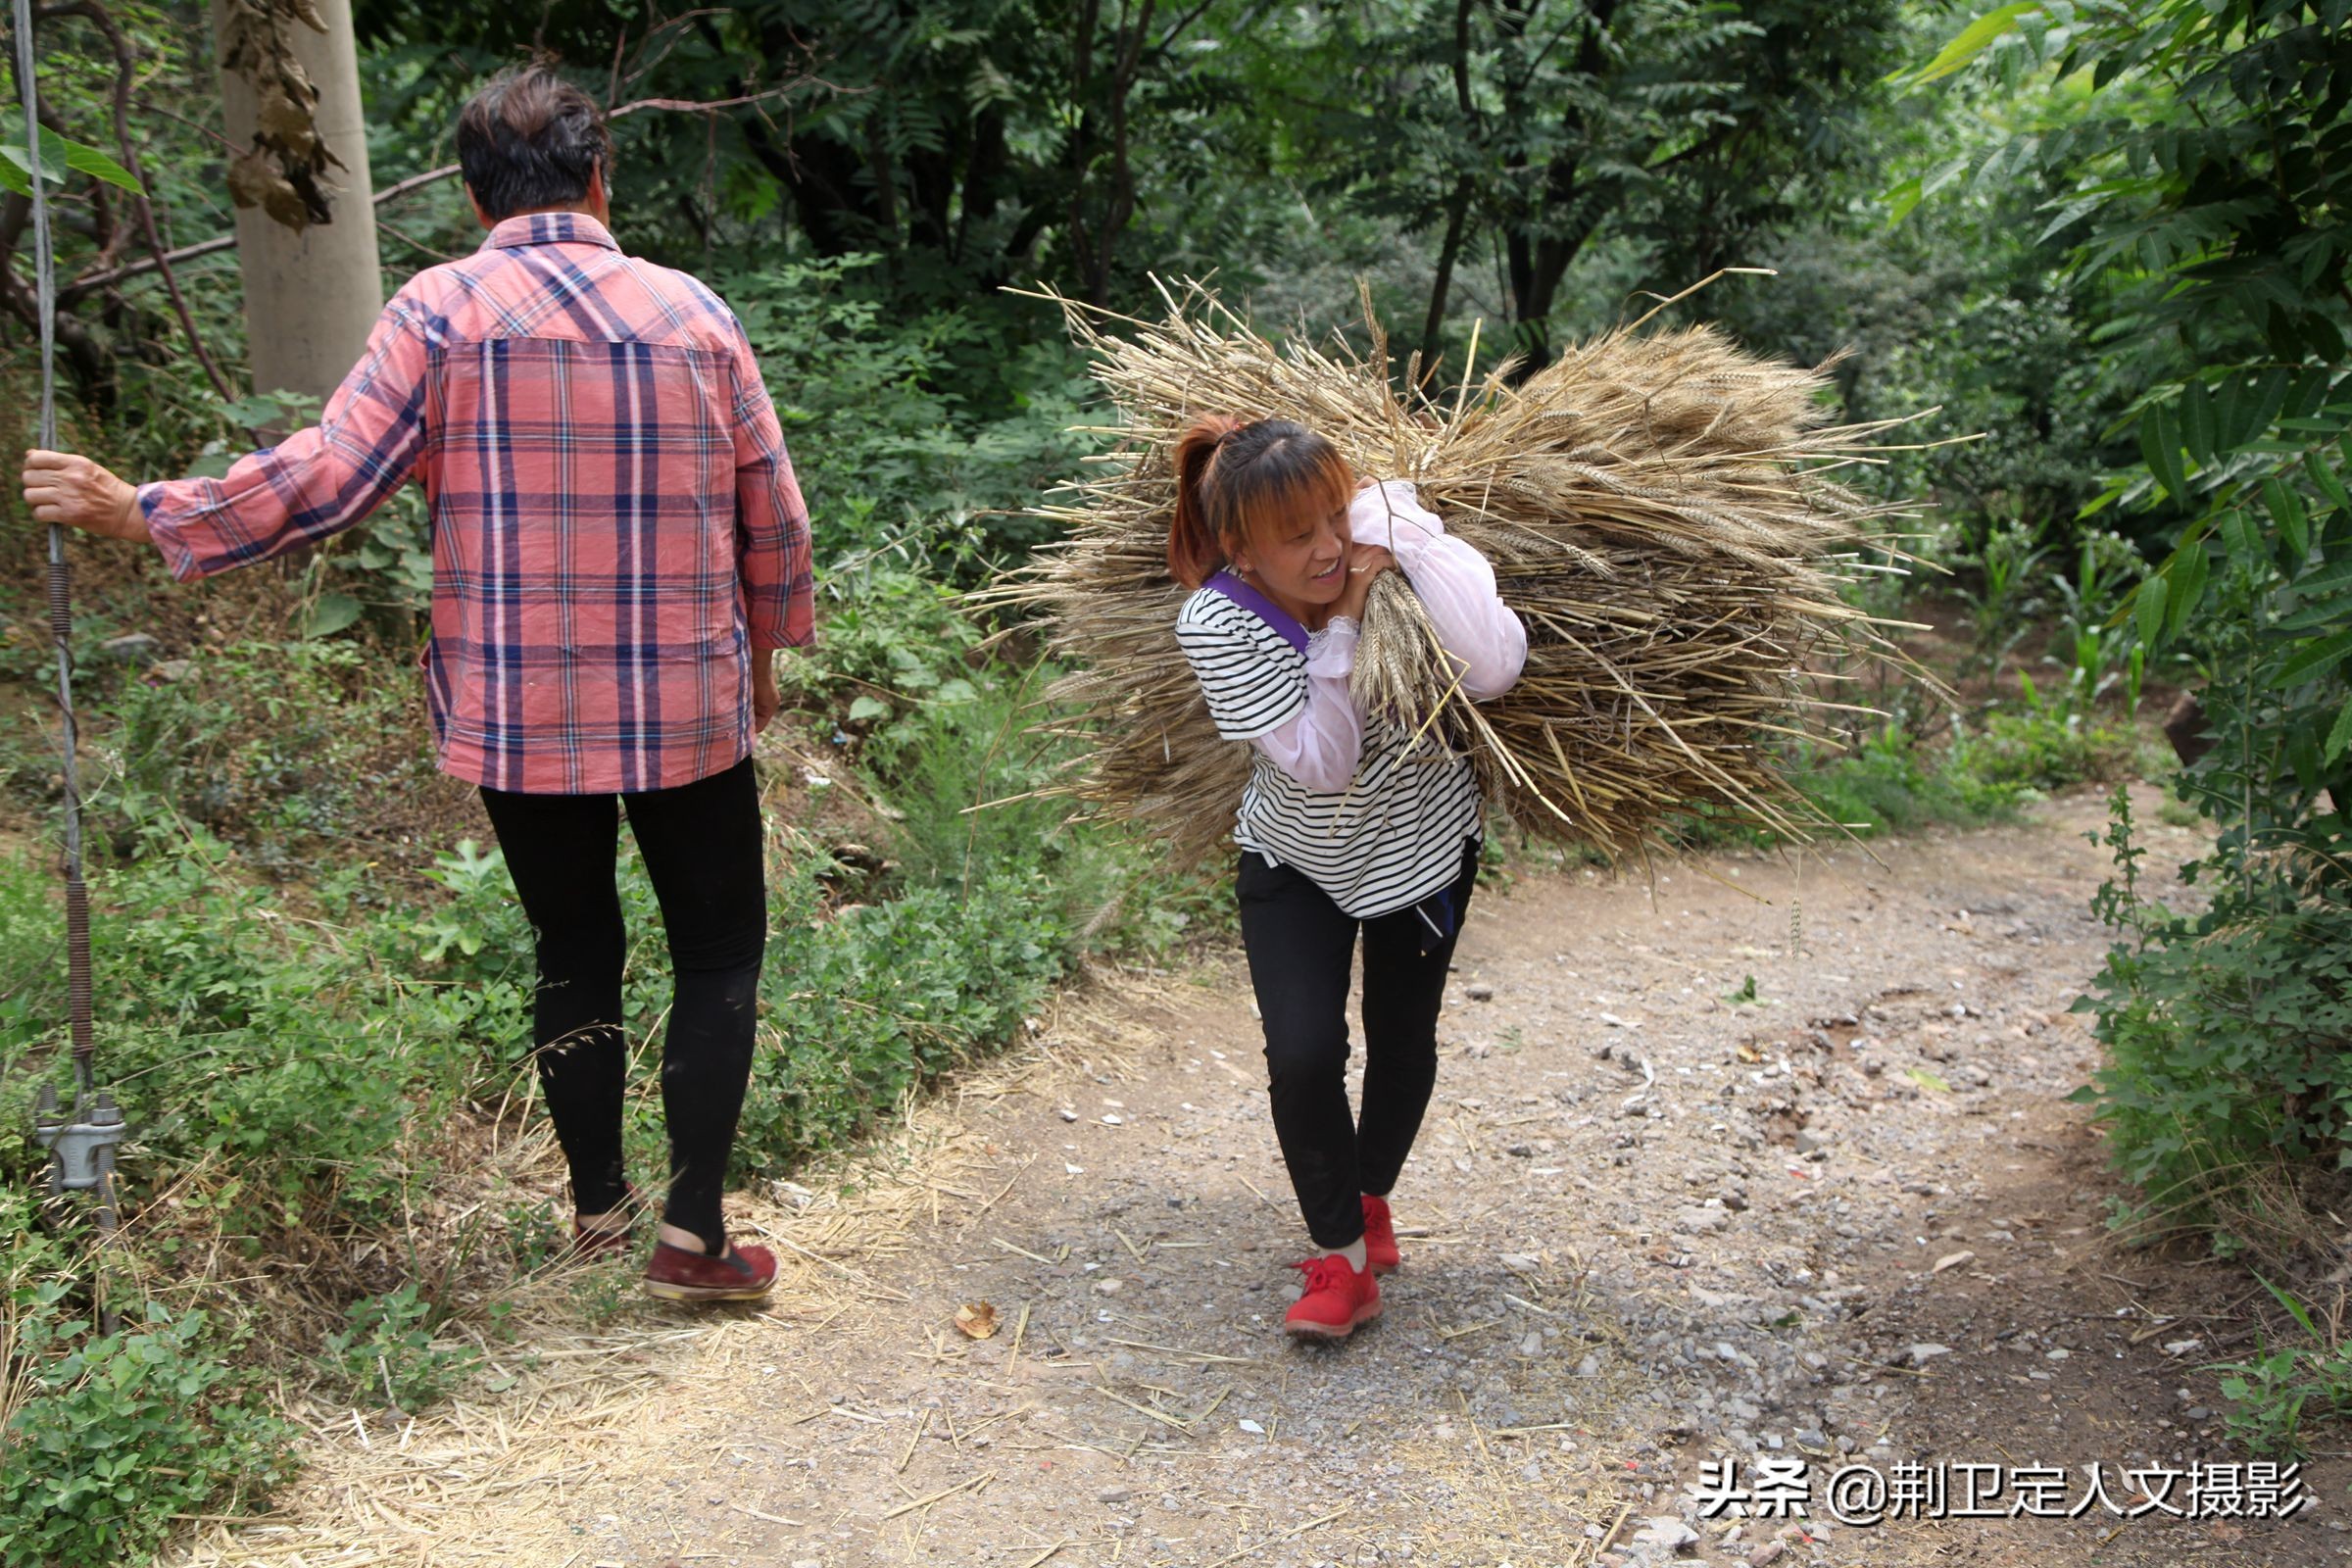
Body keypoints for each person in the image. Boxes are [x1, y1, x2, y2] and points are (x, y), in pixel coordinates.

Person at [18, 66, 811, 1305]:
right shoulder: (694, 314)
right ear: (602, 178)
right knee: (717, 952)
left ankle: (598, 1210)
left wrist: (143, 511)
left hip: (516, 708)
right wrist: (759, 664)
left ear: (467, 190)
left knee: (572, 945)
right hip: (687, 705)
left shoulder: (439, 311)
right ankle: (693, 1237)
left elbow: (328, 477)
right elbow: (777, 515)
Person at [1170, 416, 1526, 1340]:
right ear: (1241, 547)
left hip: (1422, 844)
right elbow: (1324, 762)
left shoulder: (1387, 546)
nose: (1331, 547)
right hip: (1300, 857)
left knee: (1401, 1039)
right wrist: (1351, 621)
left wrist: (1409, 538)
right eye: (1299, 536)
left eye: (1336, 515)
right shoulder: (1218, 619)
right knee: (1301, 1054)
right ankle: (1343, 1261)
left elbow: (1492, 670)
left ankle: (1368, 1202)